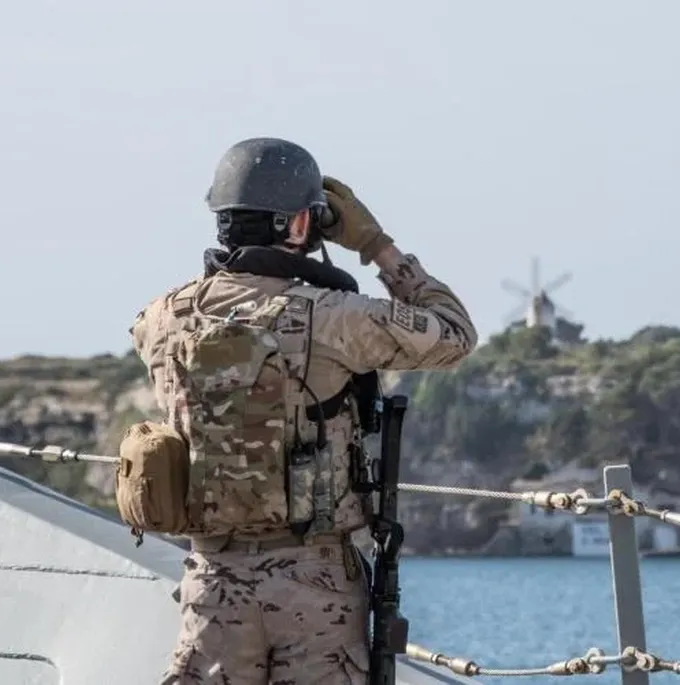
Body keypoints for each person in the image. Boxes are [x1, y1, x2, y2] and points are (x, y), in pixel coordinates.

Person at [129, 137, 477, 685]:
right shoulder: (335, 317)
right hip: (315, 586)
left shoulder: (161, 318)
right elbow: (455, 335)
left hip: (213, 582)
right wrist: (376, 246)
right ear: (296, 227)